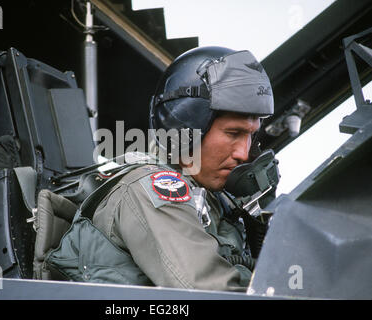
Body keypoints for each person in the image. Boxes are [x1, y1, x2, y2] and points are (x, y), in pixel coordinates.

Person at [45, 46, 274, 292]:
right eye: (233, 133)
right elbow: (212, 294)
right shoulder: (153, 188)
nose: (243, 152)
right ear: (186, 128)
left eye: (251, 135)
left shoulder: (215, 198)